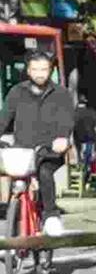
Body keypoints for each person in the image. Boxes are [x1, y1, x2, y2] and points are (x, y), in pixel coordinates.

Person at [0, 50, 76, 236]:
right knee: (15, 180)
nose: (40, 73)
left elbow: (66, 120)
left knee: (44, 172)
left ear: (51, 70)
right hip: (23, 151)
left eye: (44, 69)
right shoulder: (17, 92)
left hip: (49, 151)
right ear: (28, 71)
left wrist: (62, 138)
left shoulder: (61, 94)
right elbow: (3, 119)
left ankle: (51, 217)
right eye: (35, 69)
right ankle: (11, 235)